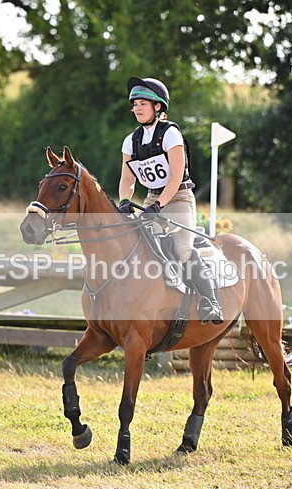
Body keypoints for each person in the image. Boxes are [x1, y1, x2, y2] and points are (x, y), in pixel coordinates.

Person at [117, 76, 224, 325]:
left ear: (158, 107)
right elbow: (127, 178)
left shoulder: (170, 134)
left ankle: (211, 302)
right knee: (140, 246)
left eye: (142, 103)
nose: (137, 108)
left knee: (183, 250)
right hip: (152, 197)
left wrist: (158, 206)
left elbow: (176, 176)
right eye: (135, 104)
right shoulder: (130, 140)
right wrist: (124, 199)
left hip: (178, 198)